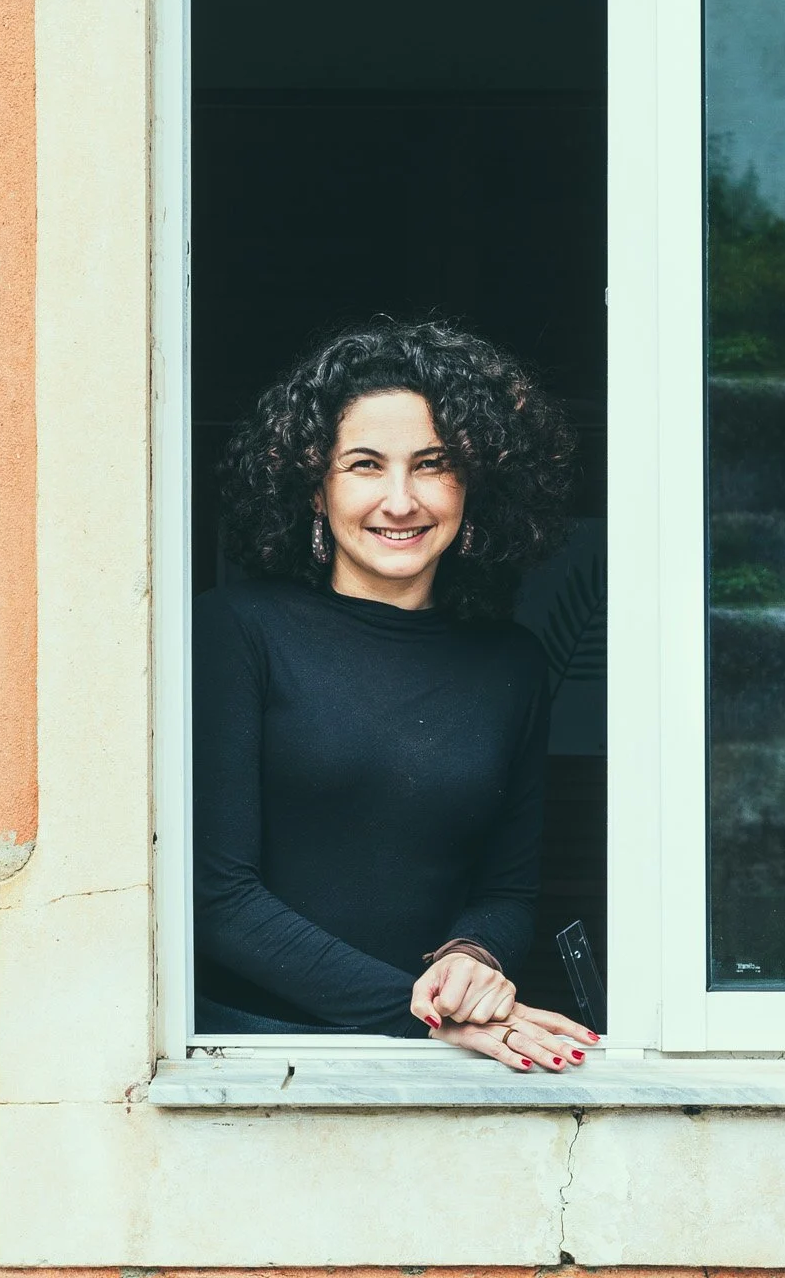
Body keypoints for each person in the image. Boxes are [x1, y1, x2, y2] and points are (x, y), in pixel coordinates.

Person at [193, 317, 597, 1074]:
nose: (401, 499)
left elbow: (507, 892)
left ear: (472, 484)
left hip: (440, 1060)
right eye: (365, 466)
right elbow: (216, 901)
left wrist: (473, 958)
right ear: (315, 487)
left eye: (432, 465)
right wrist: (425, 1018)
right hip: (250, 1053)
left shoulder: (510, 663)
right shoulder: (235, 631)